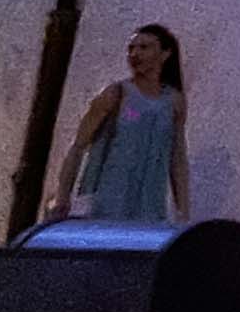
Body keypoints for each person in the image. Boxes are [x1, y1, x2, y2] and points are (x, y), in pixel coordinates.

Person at [57, 26, 192, 227]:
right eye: (131, 48)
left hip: (149, 207)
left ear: (165, 54)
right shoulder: (116, 94)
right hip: (106, 203)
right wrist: (63, 198)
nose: (135, 54)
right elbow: (78, 146)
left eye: (144, 47)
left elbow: (177, 158)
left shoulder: (173, 102)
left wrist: (183, 212)